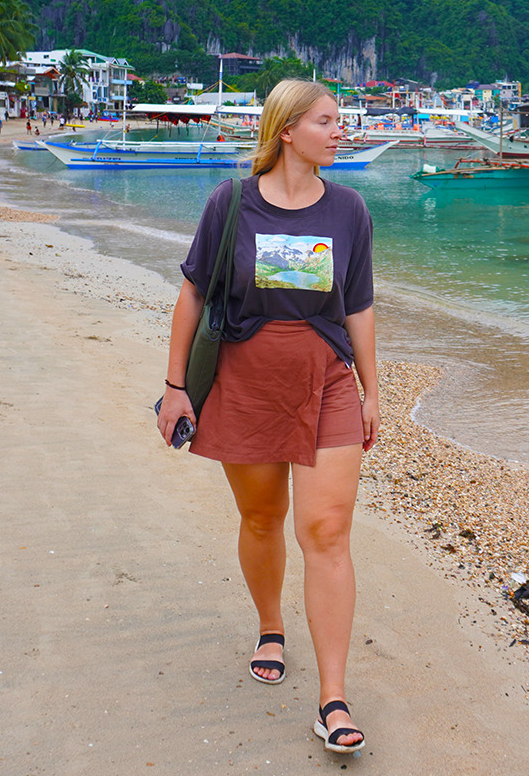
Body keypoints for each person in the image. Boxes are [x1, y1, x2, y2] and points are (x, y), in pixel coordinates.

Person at [157, 79, 378, 755]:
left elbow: (360, 305)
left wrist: (374, 390)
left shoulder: (349, 211)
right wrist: (175, 387)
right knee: (261, 517)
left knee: (328, 531)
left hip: (326, 380)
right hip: (247, 381)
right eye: (327, 121)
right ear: (287, 131)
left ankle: (332, 698)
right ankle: (270, 624)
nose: (341, 131)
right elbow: (193, 294)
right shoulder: (231, 204)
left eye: (342, 122)